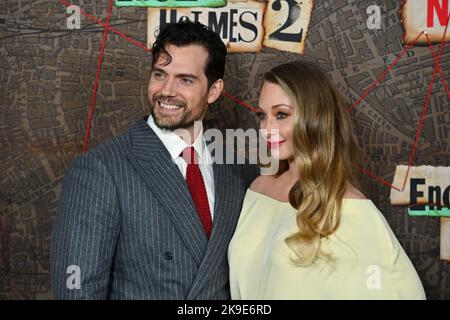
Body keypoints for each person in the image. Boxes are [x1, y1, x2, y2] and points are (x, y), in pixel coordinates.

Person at [51, 20, 258, 299]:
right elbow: (76, 291)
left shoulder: (241, 171)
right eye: (160, 74)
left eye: (185, 79)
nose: (166, 91)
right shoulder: (100, 170)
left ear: (214, 90)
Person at [228, 61, 426, 299]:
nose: (266, 128)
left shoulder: (350, 207)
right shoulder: (258, 188)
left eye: (281, 115)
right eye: (262, 115)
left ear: (315, 118)